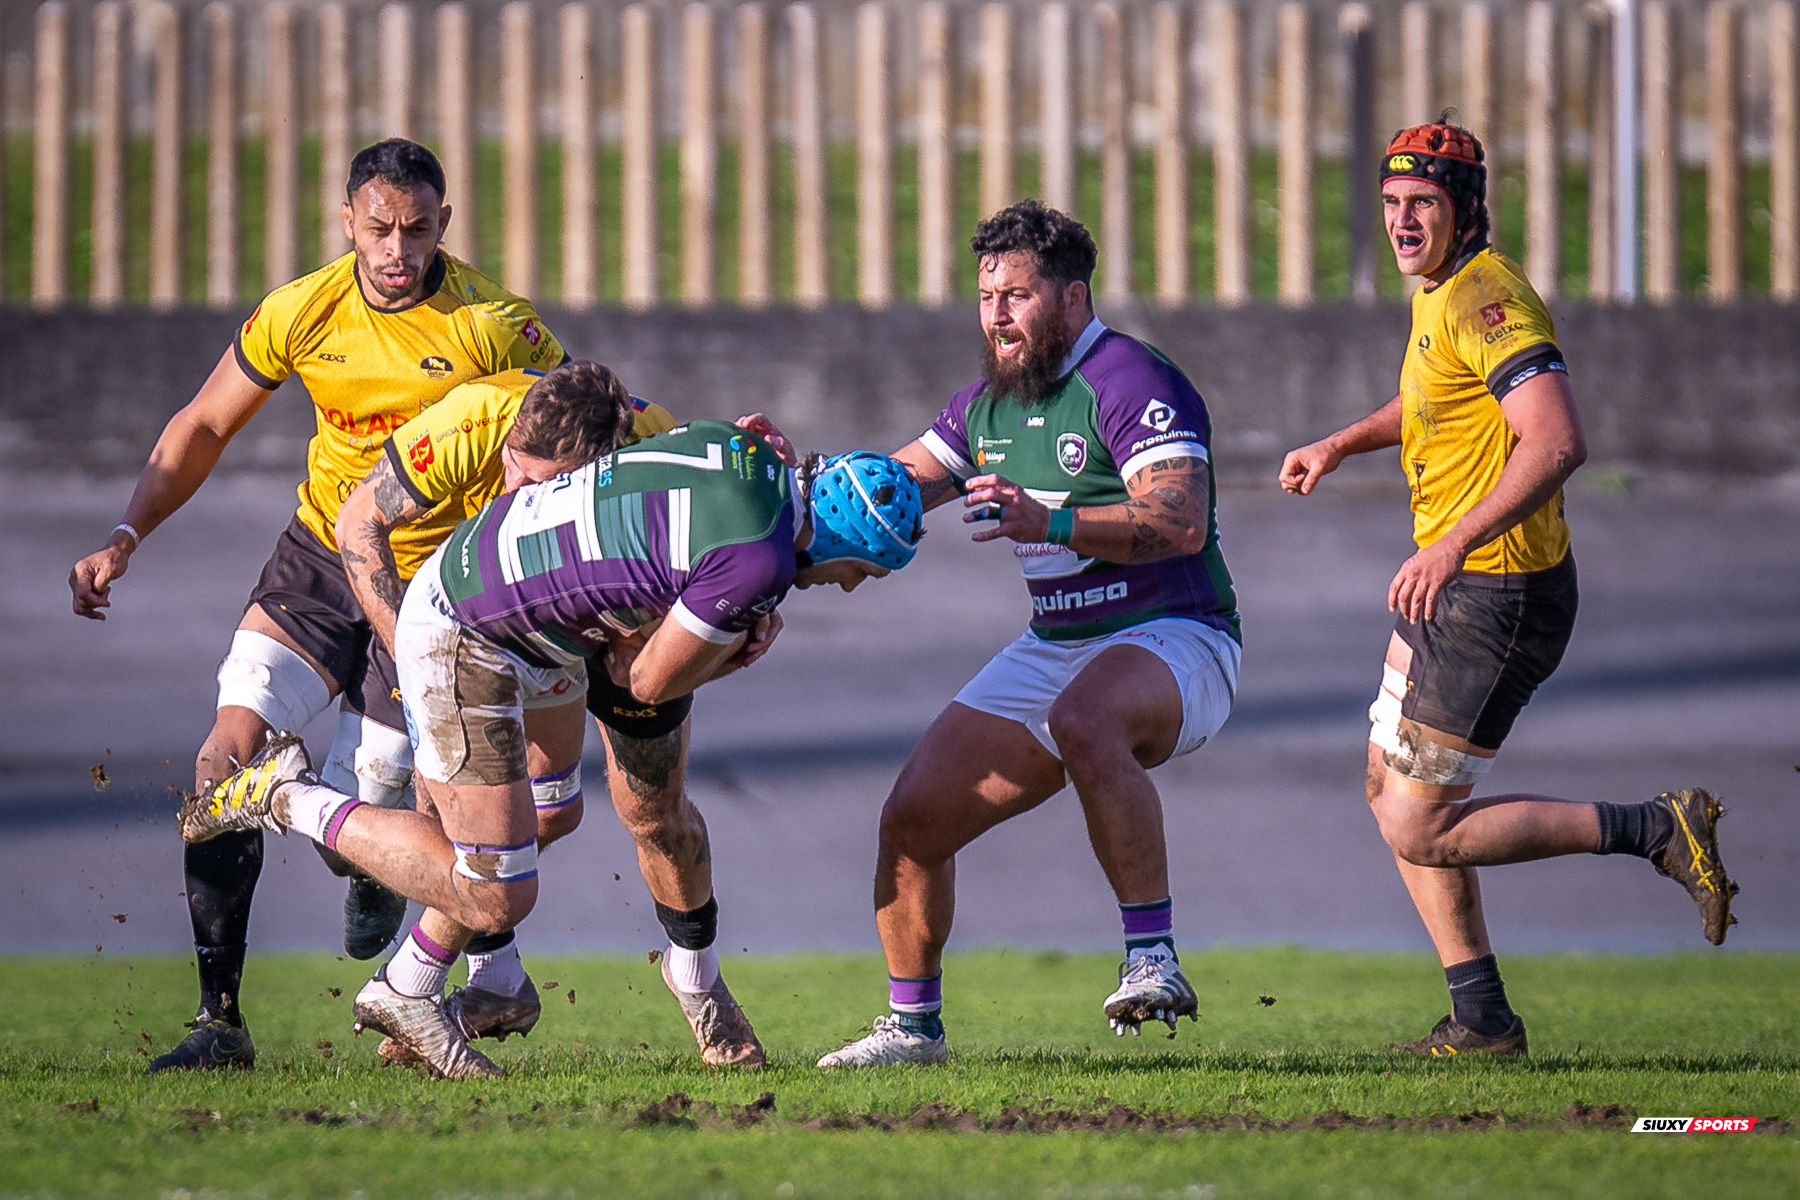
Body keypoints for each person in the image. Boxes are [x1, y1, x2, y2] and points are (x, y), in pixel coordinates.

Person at [180, 421, 924, 1077]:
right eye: (863, 571)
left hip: (511, 603)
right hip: (470, 632)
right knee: (495, 889)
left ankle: (415, 984)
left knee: (545, 819)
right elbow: (643, 681)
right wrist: (735, 650)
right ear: (839, 536)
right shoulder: (759, 563)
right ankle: (282, 794)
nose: (850, 588)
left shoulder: (739, 449)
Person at [66, 138, 566, 1072]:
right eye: (379, 228)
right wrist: (125, 535)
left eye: (417, 229)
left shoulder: (494, 325)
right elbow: (204, 423)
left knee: (363, 821)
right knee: (224, 759)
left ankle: (377, 872)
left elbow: (573, 437)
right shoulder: (302, 309)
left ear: (444, 225)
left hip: (432, 587)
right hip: (321, 560)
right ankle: (219, 1023)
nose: (397, 250)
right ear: (347, 221)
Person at [1277, 119, 1736, 1058]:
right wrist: (1340, 443)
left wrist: (1450, 545)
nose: (1403, 221)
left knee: (1421, 826)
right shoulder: (1440, 293)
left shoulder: (1487, 297)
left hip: (1497, 592)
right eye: (1392, 203)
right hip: (1452, 585)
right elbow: (1435, 397)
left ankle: (1658, 828)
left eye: (1423, 203)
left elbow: (1558, 441)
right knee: (1386, 785)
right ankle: (1482, 1018)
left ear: (1464, 208)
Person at [819, 200, 1241, 1068]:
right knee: (913, 820)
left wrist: (1046, 521)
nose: (997, 316)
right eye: (986, 298)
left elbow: (1181, 519)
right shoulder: (985, 408)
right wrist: (793, 494)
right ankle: (913, 1029)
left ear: (1073, 299)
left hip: (1179, 635)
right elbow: (883, 488)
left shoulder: (1130, 380)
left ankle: (1153, 958)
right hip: (1059, 645)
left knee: (1085, 718)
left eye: (1017, 296)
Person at [334, 367, 792, 1069]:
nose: (519, 495)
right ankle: (472, 980)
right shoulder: (471, 422)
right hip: (479, 612)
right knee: (464, 823)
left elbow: (729, 535)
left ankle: (696, 983)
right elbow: (357, 522)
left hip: (616, 635)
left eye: (544, 486)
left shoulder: (650, 438)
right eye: (514, 473)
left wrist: (746, 616)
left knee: (649, 817)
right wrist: (416, 669)